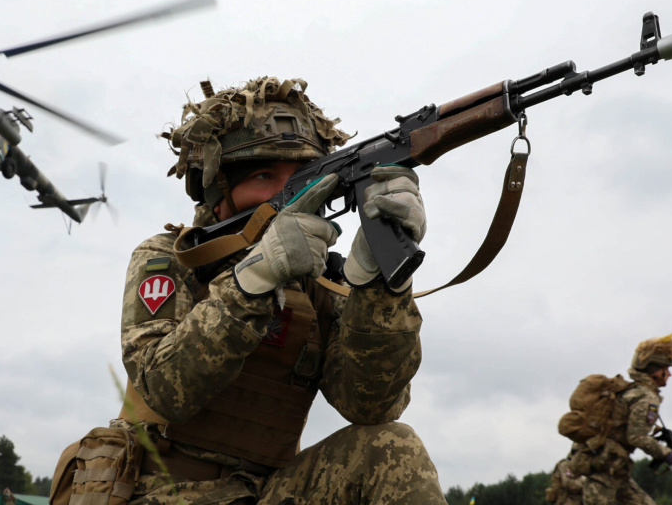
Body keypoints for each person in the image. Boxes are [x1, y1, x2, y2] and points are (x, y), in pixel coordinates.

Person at [68, 77, 444, 504]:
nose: (291, 194)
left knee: (392, 447)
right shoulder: (171, 259)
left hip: (270, 493)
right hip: (164, 490)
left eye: (303, 177)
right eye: (266, 176)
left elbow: (372, 406)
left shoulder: (321, 282)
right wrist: (253, 281)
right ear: (218, 190)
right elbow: (163, 387)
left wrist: (379, 286)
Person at [577, 334, 672, 505]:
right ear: (655, 370)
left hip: (614, 471)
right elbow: (636, 437)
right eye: (665, 369)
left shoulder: (631, 391)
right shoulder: (646, 397)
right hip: (605, 473)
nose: (669, 374)